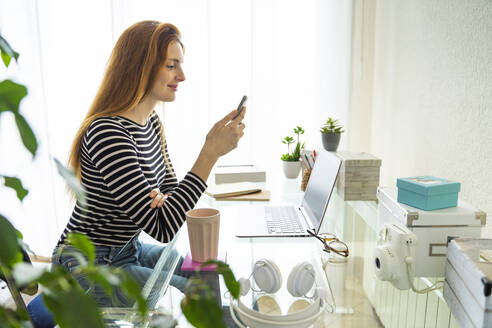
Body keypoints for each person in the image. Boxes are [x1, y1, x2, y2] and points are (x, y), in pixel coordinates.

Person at [50, 20, 246, 308]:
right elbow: (164, 226)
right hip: (88, 264)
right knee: (193, 297)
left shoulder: (152, 123)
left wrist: (165, 202)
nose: (182, 75)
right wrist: (209, 154)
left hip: (129, 250)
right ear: (140, 67)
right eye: (171, 65)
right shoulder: (108, 132)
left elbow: (172, 200)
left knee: (206, 279)